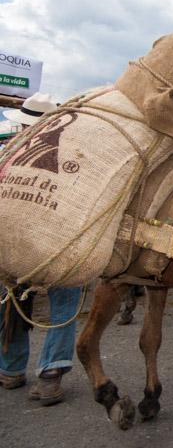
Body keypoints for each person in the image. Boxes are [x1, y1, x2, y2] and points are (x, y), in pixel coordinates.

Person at [0, 93, 82, 406]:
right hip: (59, 245)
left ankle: (10, 369)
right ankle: (51, 376)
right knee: (65, 307)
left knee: (8, 302)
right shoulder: (75, 160)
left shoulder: (8, 155)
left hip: (12, 243)